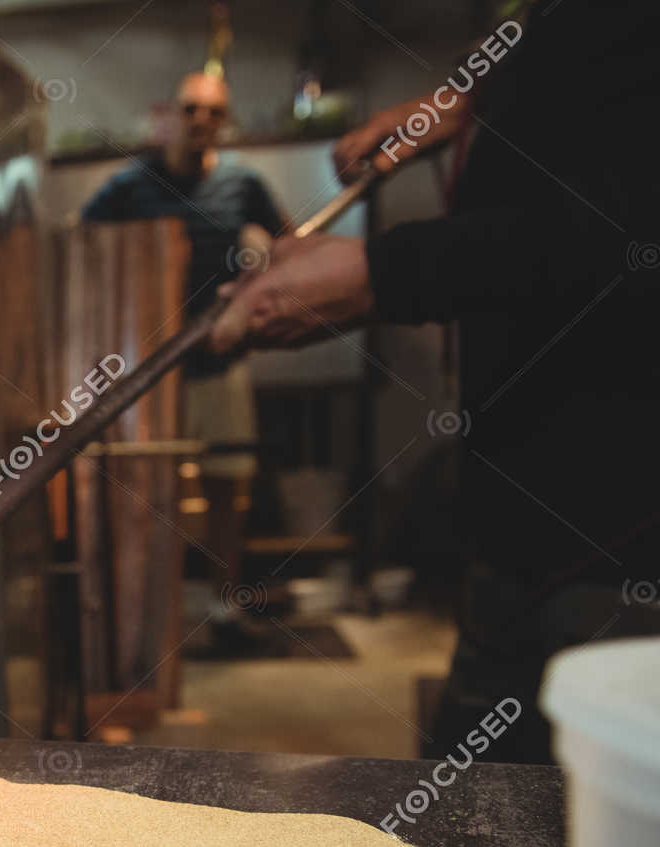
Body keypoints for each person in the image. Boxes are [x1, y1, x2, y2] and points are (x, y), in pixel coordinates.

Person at [208, 2, 660, 763]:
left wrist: (385, 275)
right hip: (525, 510)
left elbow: (629, 233)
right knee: (482, 792)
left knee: (567, 823)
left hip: (618, 530)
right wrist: (467, 105)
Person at [82, 71, 286, 656]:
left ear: (224, 121)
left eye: (213, 112)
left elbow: (291, 245)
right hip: (153, 370)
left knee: (227, 489)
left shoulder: (242, 183)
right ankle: (155, 625)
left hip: (220, 360)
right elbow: (82, 244)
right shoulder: (131, 186)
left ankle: (224, 609)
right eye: (190, 109)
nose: (200, 120)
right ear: (169, 114)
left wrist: (250, 305)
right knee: (155, 496)